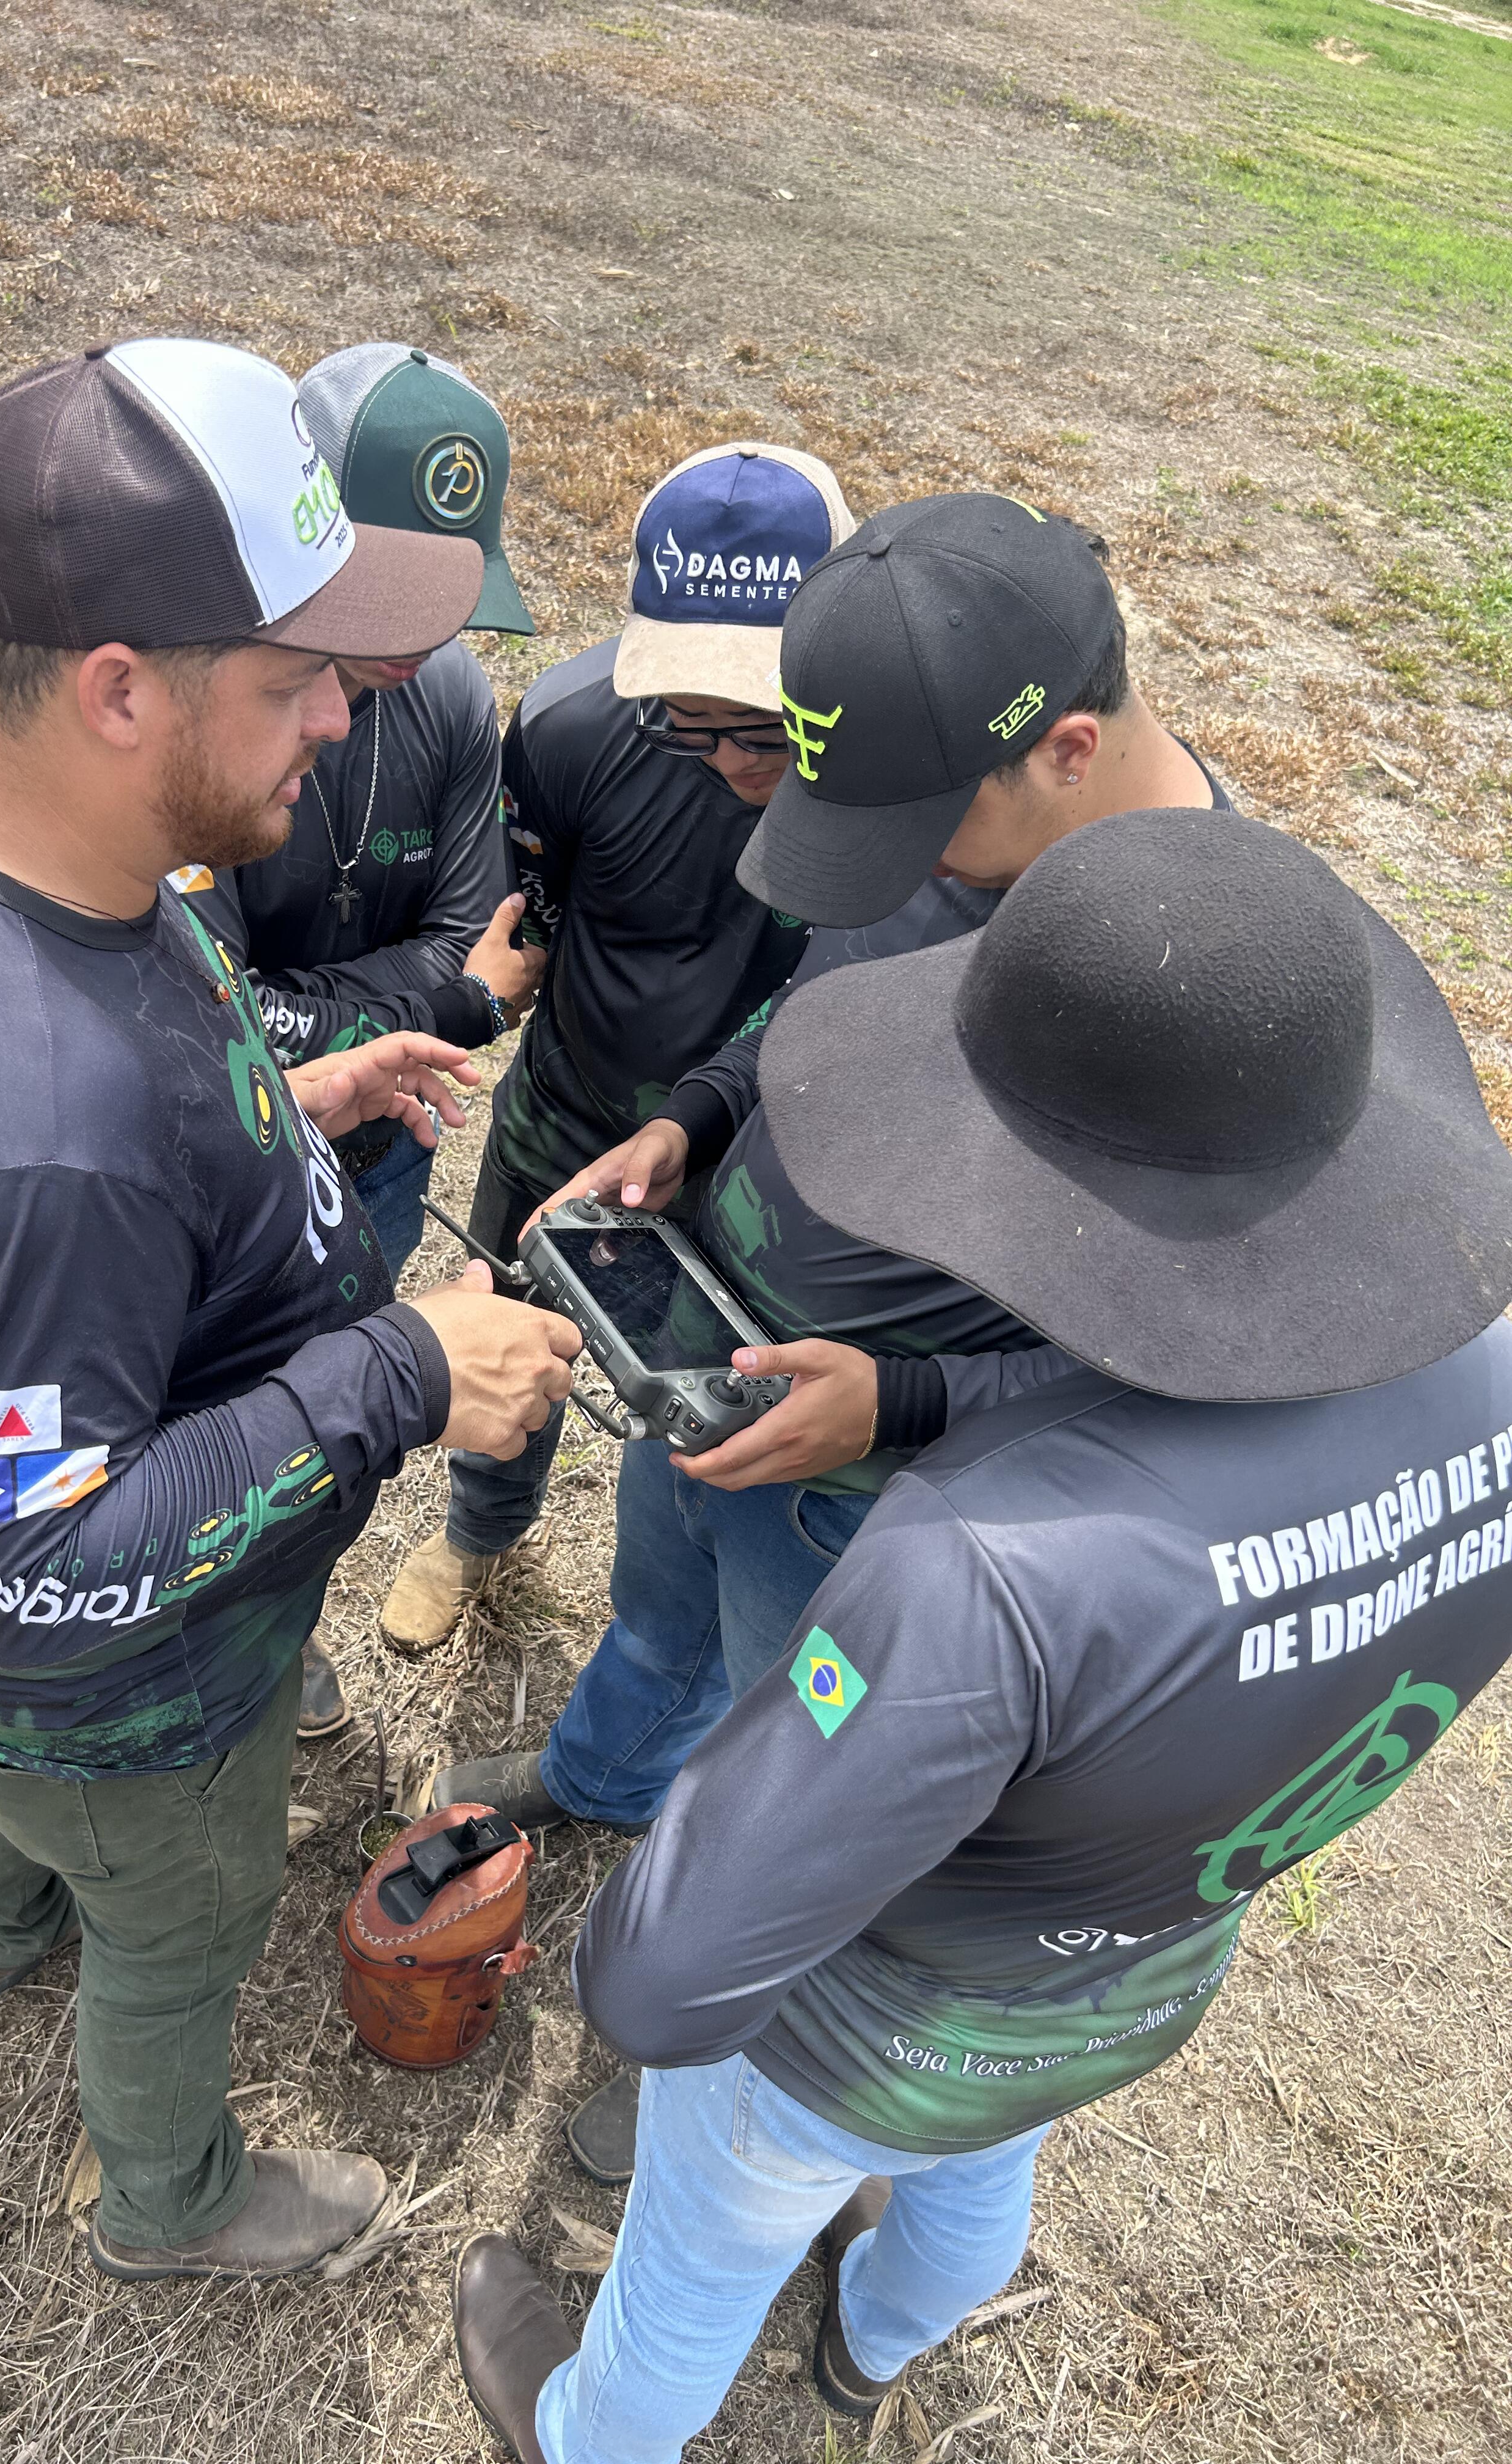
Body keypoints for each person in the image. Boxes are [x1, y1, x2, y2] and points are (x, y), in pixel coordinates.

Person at [448, 805, 1512, 2464]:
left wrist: (685, 1842)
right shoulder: (1489, 1376)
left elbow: (659, 1987)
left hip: (868, 2021)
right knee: (979, 2161)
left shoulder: (984, 1563)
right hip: (1141, 1972)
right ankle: (871, 2346)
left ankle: (583, 2430)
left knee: (701, 2248)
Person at [0, 337, 579, 2284]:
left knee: (10, 1799)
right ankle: (169, 2197)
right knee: (180, 1924)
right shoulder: (31, 1141)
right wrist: (401, 1368)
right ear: (124, 685)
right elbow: (43, 1569)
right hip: (120, 1686)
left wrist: (279, 1106)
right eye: (296, 679)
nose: (340, 721)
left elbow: (82, 1168)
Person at [433, 499, 1235, 2176]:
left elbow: (1188, 1375)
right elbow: (821, 1006)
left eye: (909, 844)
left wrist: (903, 1402)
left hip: (866, 1488)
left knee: (784, 1771)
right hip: (712, 1352)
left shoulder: (1223, 985)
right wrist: (704, 1120)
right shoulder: (920, 791)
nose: (880, 875)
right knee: (657, 1629)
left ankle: (703, 2061)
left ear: (1067, 753)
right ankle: (595, 1779)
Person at [380, 441, 855, 1653]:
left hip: (759, 1162)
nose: (746, 764)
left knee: (720, 1398)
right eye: (701, 727)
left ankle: (673, 1626)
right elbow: (525, 926)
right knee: (513, 1335)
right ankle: (482, 1535)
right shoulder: (567, 727)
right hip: (567, 1117)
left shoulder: (881, 793)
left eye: (772, 728)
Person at [176, 341, 547, 1738]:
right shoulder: (212, 704)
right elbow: (210, 1002)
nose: (407, 640)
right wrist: (435, 1003)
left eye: (445, 598)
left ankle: (283, 1623)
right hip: (225, 1146)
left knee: (334, 1396)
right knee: (211, 1397)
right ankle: (214, 1647)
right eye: (379, 596)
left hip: (386, 1142)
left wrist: (370, 996)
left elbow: (476, 939)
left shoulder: (448, 695)